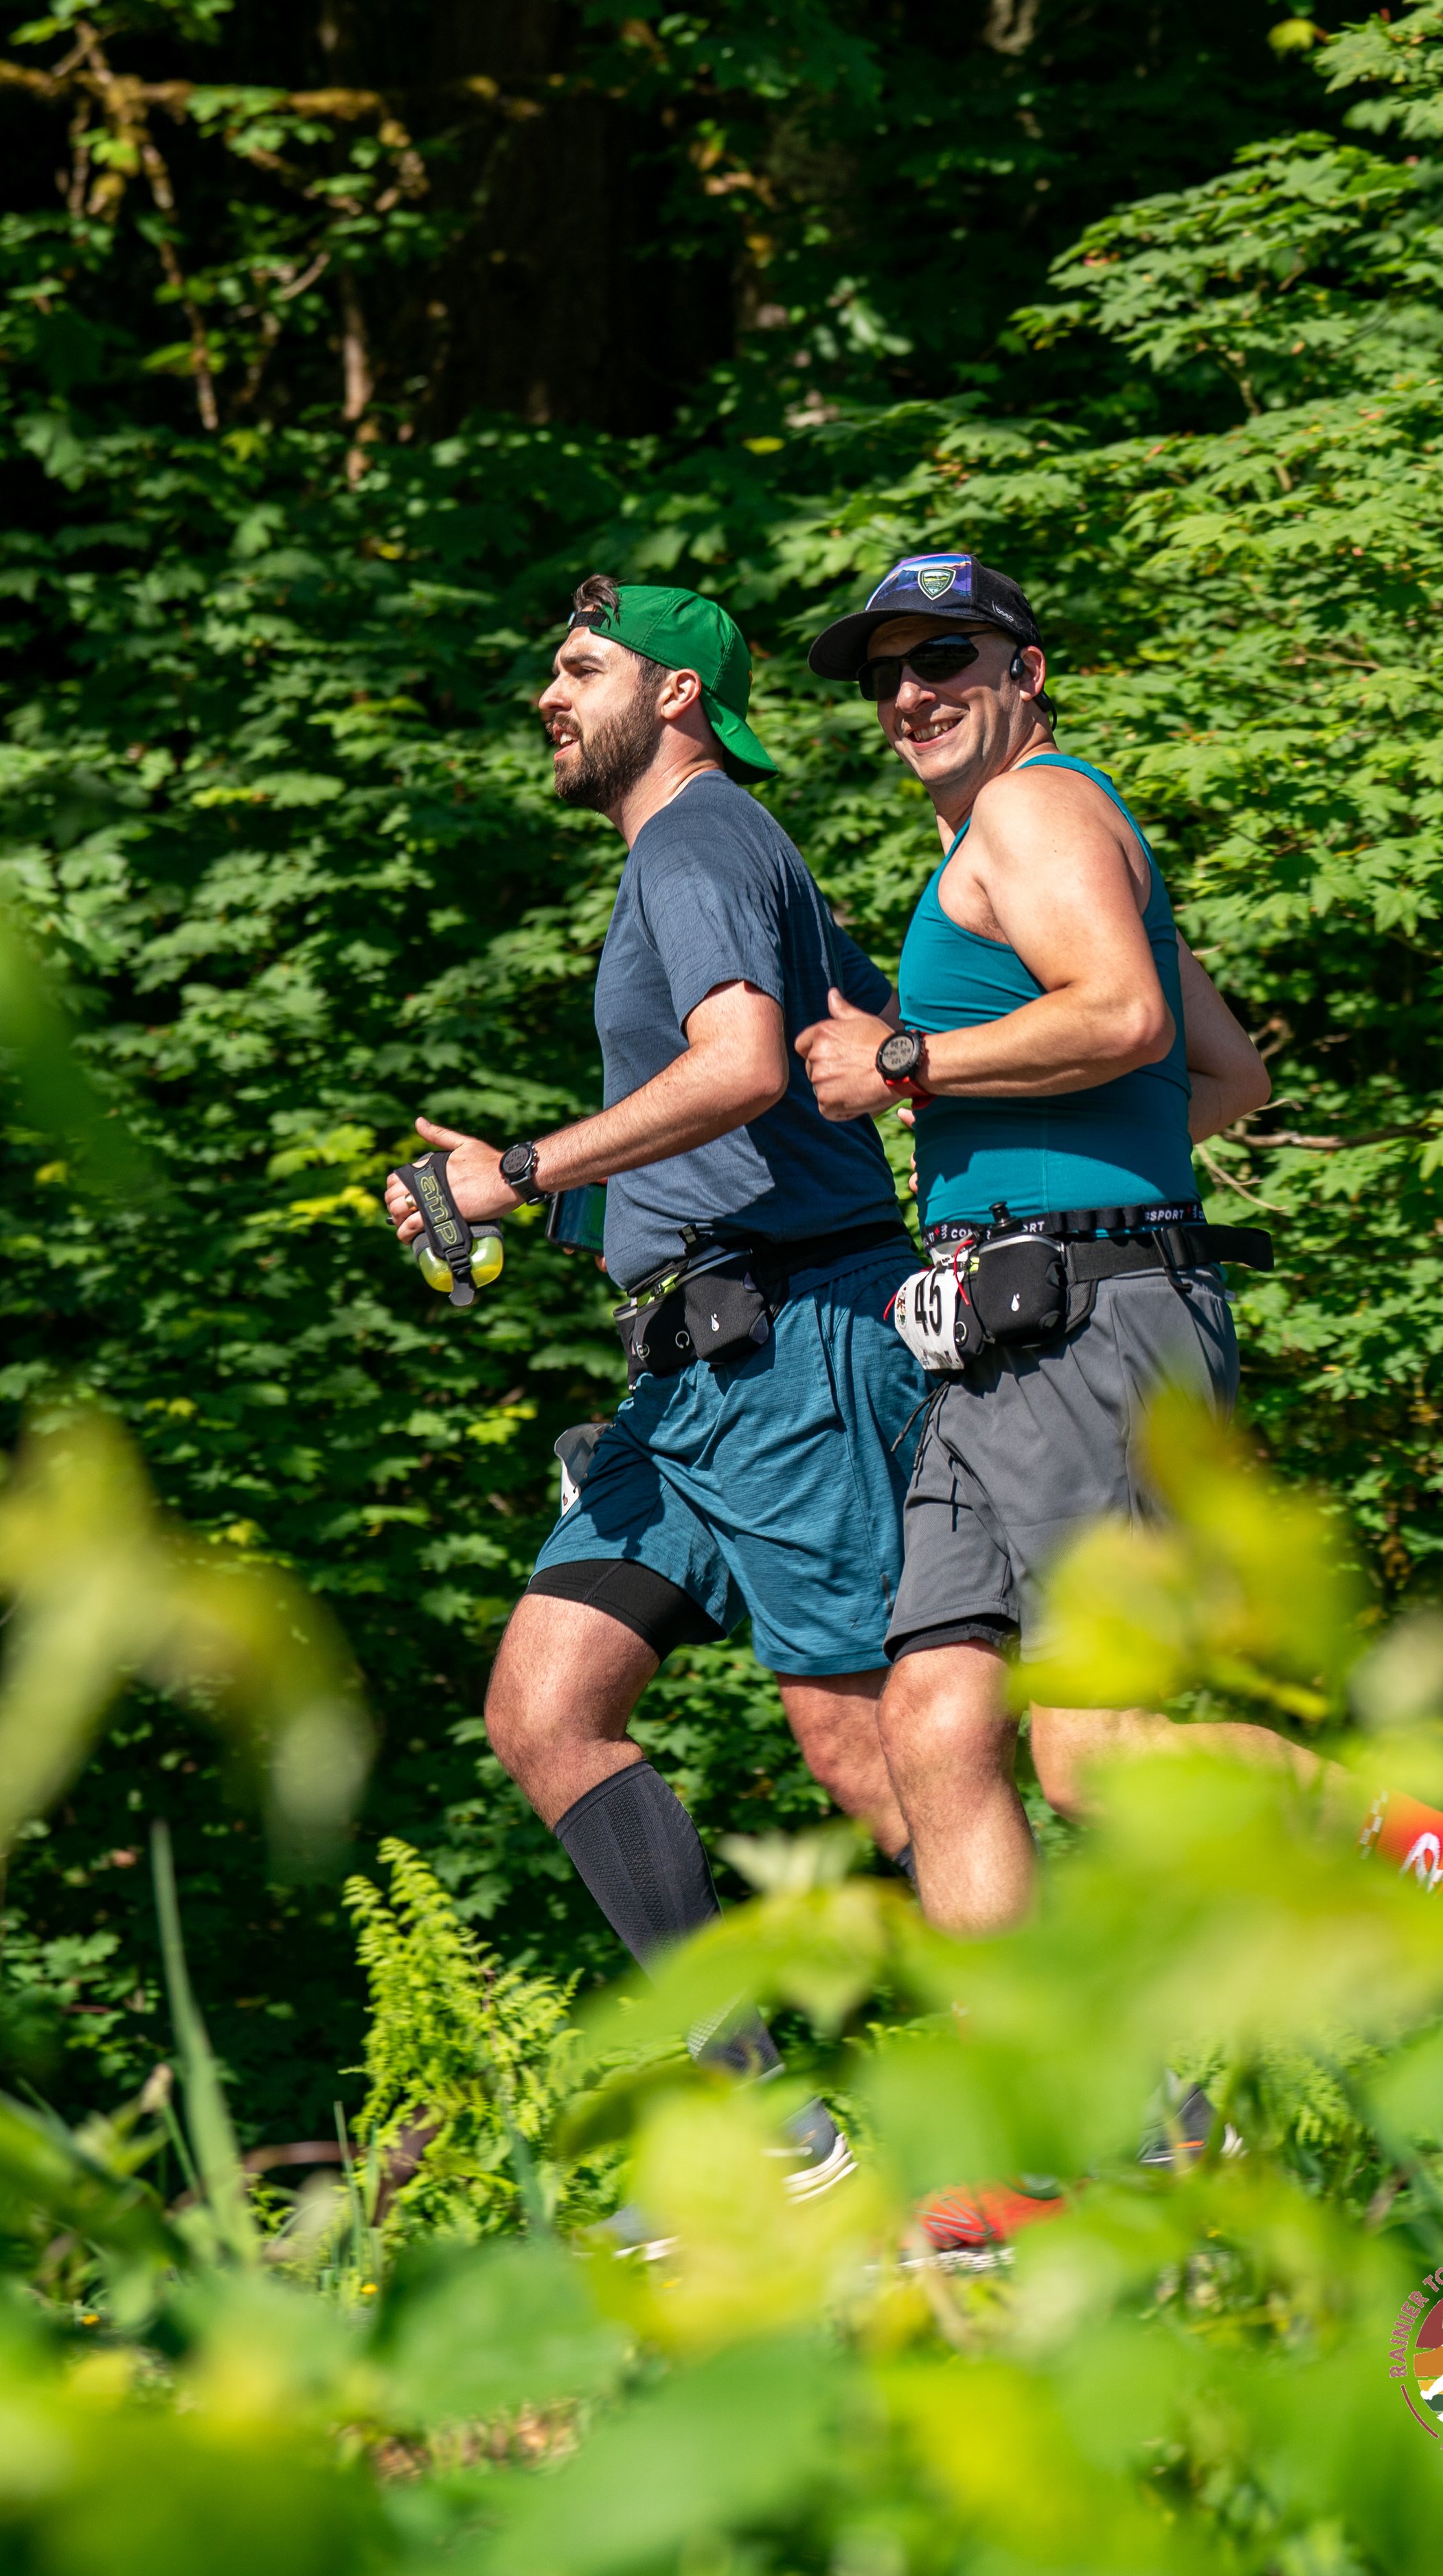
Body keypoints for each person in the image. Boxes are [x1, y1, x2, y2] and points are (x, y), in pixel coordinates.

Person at [797, 552, 1443, 1952]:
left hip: (1080, 1325)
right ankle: (1042, 2137)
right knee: (933, 1727)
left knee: (1097, 1759)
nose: (909, 693)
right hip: (1000, 1331)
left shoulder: (1035, 806)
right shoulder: (1006, 839)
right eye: (885, 675)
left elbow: (1121, 1016)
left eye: (943, 659)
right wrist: (1066, 1145)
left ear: (1025, 673)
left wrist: (903, 1059)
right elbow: (1223, 1076)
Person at [384, 576, 927, 2194]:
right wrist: (534, 1197)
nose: (547, 695)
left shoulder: (697, 841)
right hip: (686, 1385)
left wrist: (527, 1162)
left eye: (578, 668)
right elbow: (740, 1146)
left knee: (879, 1758)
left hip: (794, 1356)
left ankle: (1142, 2112)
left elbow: (744, 1067)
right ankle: (783, 2139)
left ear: (676, 694)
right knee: (546, 1710)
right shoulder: (687, 863)